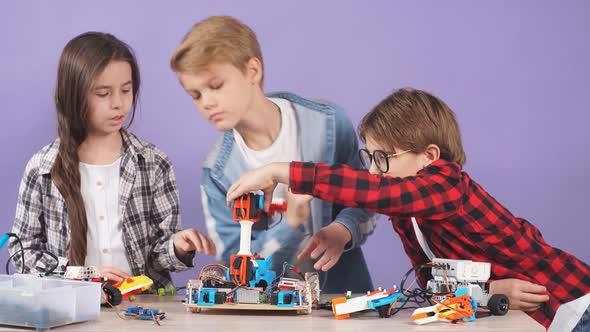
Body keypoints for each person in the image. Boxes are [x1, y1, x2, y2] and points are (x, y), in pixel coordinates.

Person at [226, 88, 590, 330]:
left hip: (574, 306)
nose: (373, 170)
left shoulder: (446, 184)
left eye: (382, 158)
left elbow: (372, 191)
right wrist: (488, 292)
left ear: (429, 157)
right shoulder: (410, 212)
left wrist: (280, 171)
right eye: (370, 157)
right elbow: (435, 286)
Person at [169, 16, 376, 292]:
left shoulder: (327, 123)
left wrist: (343, 231)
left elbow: (369, 197)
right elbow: (235, 269)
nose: (206, 102)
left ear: (252, 70)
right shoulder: (218, 173)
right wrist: (290, 222)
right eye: (195, 95)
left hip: (338, 301)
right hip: (267, 311)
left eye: (216, 85)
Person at [9, 32, 215, 288]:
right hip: (68, 309)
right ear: (74, 94)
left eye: (126, 90)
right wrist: (83, 274)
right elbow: (22, 252)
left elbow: (158, 257)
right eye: (103, 93)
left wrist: (177, 246)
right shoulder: (42, 168)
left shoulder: (153, 162)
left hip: (140, 311)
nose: (119, 103)